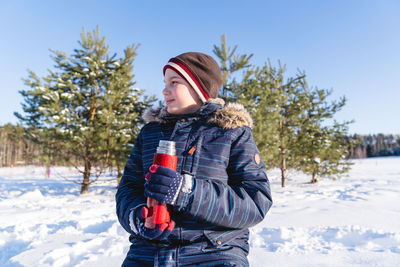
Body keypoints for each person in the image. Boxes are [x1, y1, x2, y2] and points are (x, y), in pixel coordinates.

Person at [116, 52, 272, 266]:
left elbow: (255, 203)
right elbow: (128, 189)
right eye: (165, 82)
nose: (164, 90)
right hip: (149, 251)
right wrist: (138, 218)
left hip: (215, 251)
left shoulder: (231, 132)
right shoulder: (150, 133)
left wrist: (186, 191)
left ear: (199, 87)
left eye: (174, 82)